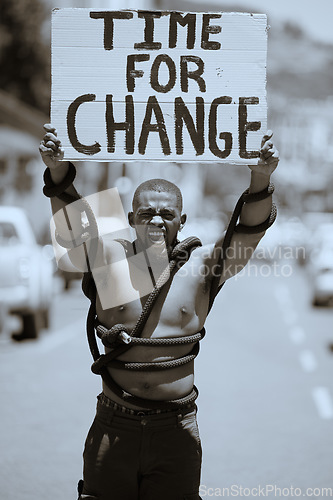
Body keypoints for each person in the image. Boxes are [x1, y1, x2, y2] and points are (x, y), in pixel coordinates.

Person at [39, 123, 279, 500]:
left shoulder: (200, 270)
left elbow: (248, 232)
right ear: (132, 218)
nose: (155, 221)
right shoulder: (108, 263)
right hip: (113, 425)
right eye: (146, 213)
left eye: (166, 215)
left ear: (181, 222)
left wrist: (261, 178)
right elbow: (73, 226)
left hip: (175, 430)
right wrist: (57, 169)